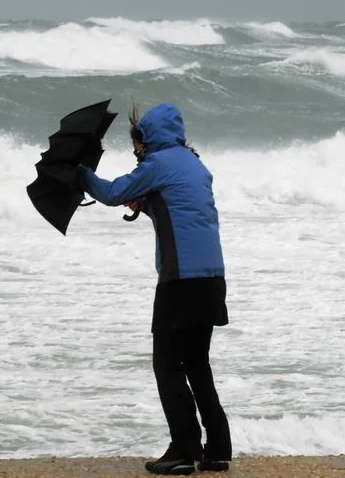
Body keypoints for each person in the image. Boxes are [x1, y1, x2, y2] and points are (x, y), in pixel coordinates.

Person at [77, 102, 232, 476]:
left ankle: (183, 448)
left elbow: (112, 192)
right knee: (197, 364)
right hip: (212, 279)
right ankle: (217, 450)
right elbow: (180, 209)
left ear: (147, 139)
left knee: (167, 365)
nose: (136, 153)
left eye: (136, 146)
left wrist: (79, 173)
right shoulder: (194, 164)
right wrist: (147, 205)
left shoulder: (158, 164)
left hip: (181, 280)